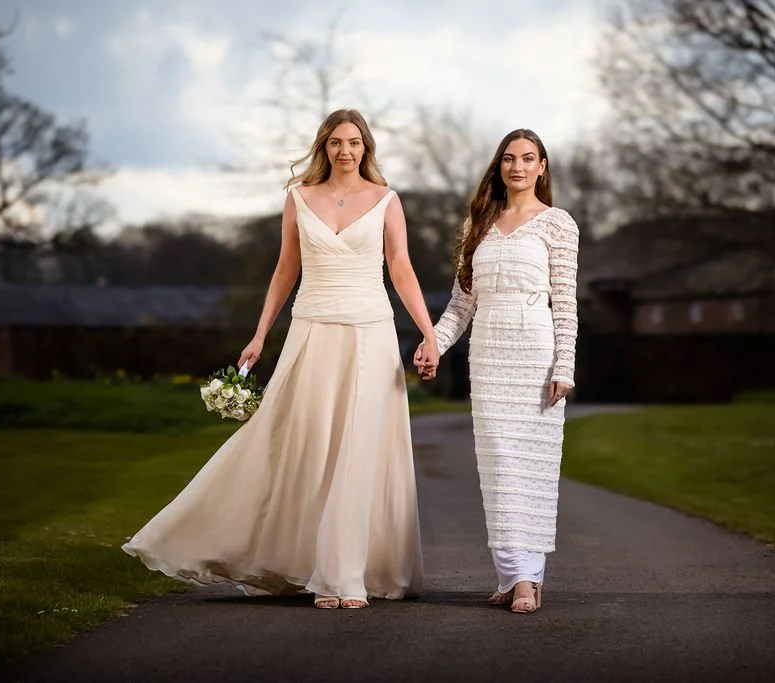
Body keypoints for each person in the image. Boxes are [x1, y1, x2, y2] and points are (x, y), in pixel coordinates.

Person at [124, 109, 440, 609]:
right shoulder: (298, 198)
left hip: (370, 333)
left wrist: (428, 334)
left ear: (366, 148)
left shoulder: (387, 201)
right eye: (336, 142)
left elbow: (401, 268)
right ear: (323, 147)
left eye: (354, 142)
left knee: (360, 449)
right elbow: (284, 270)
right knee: (304, 443)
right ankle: (289, 558)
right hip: (311, 328)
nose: (345, 151)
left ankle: (344, 576)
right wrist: (258, 336)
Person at [416, 128, 579, 614]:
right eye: (509, 159)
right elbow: (460, 306)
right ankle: (512, 575)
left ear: (542, 167)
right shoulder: (477, 225)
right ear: (499, 166)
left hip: (536, 351)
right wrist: (435, 344)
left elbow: (567, 303)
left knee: (533, 468)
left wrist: (564, 365)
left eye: (529, 159)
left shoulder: (558, 225)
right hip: (488, 357)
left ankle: (528, 580)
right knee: (498, 467)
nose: (518, 167)